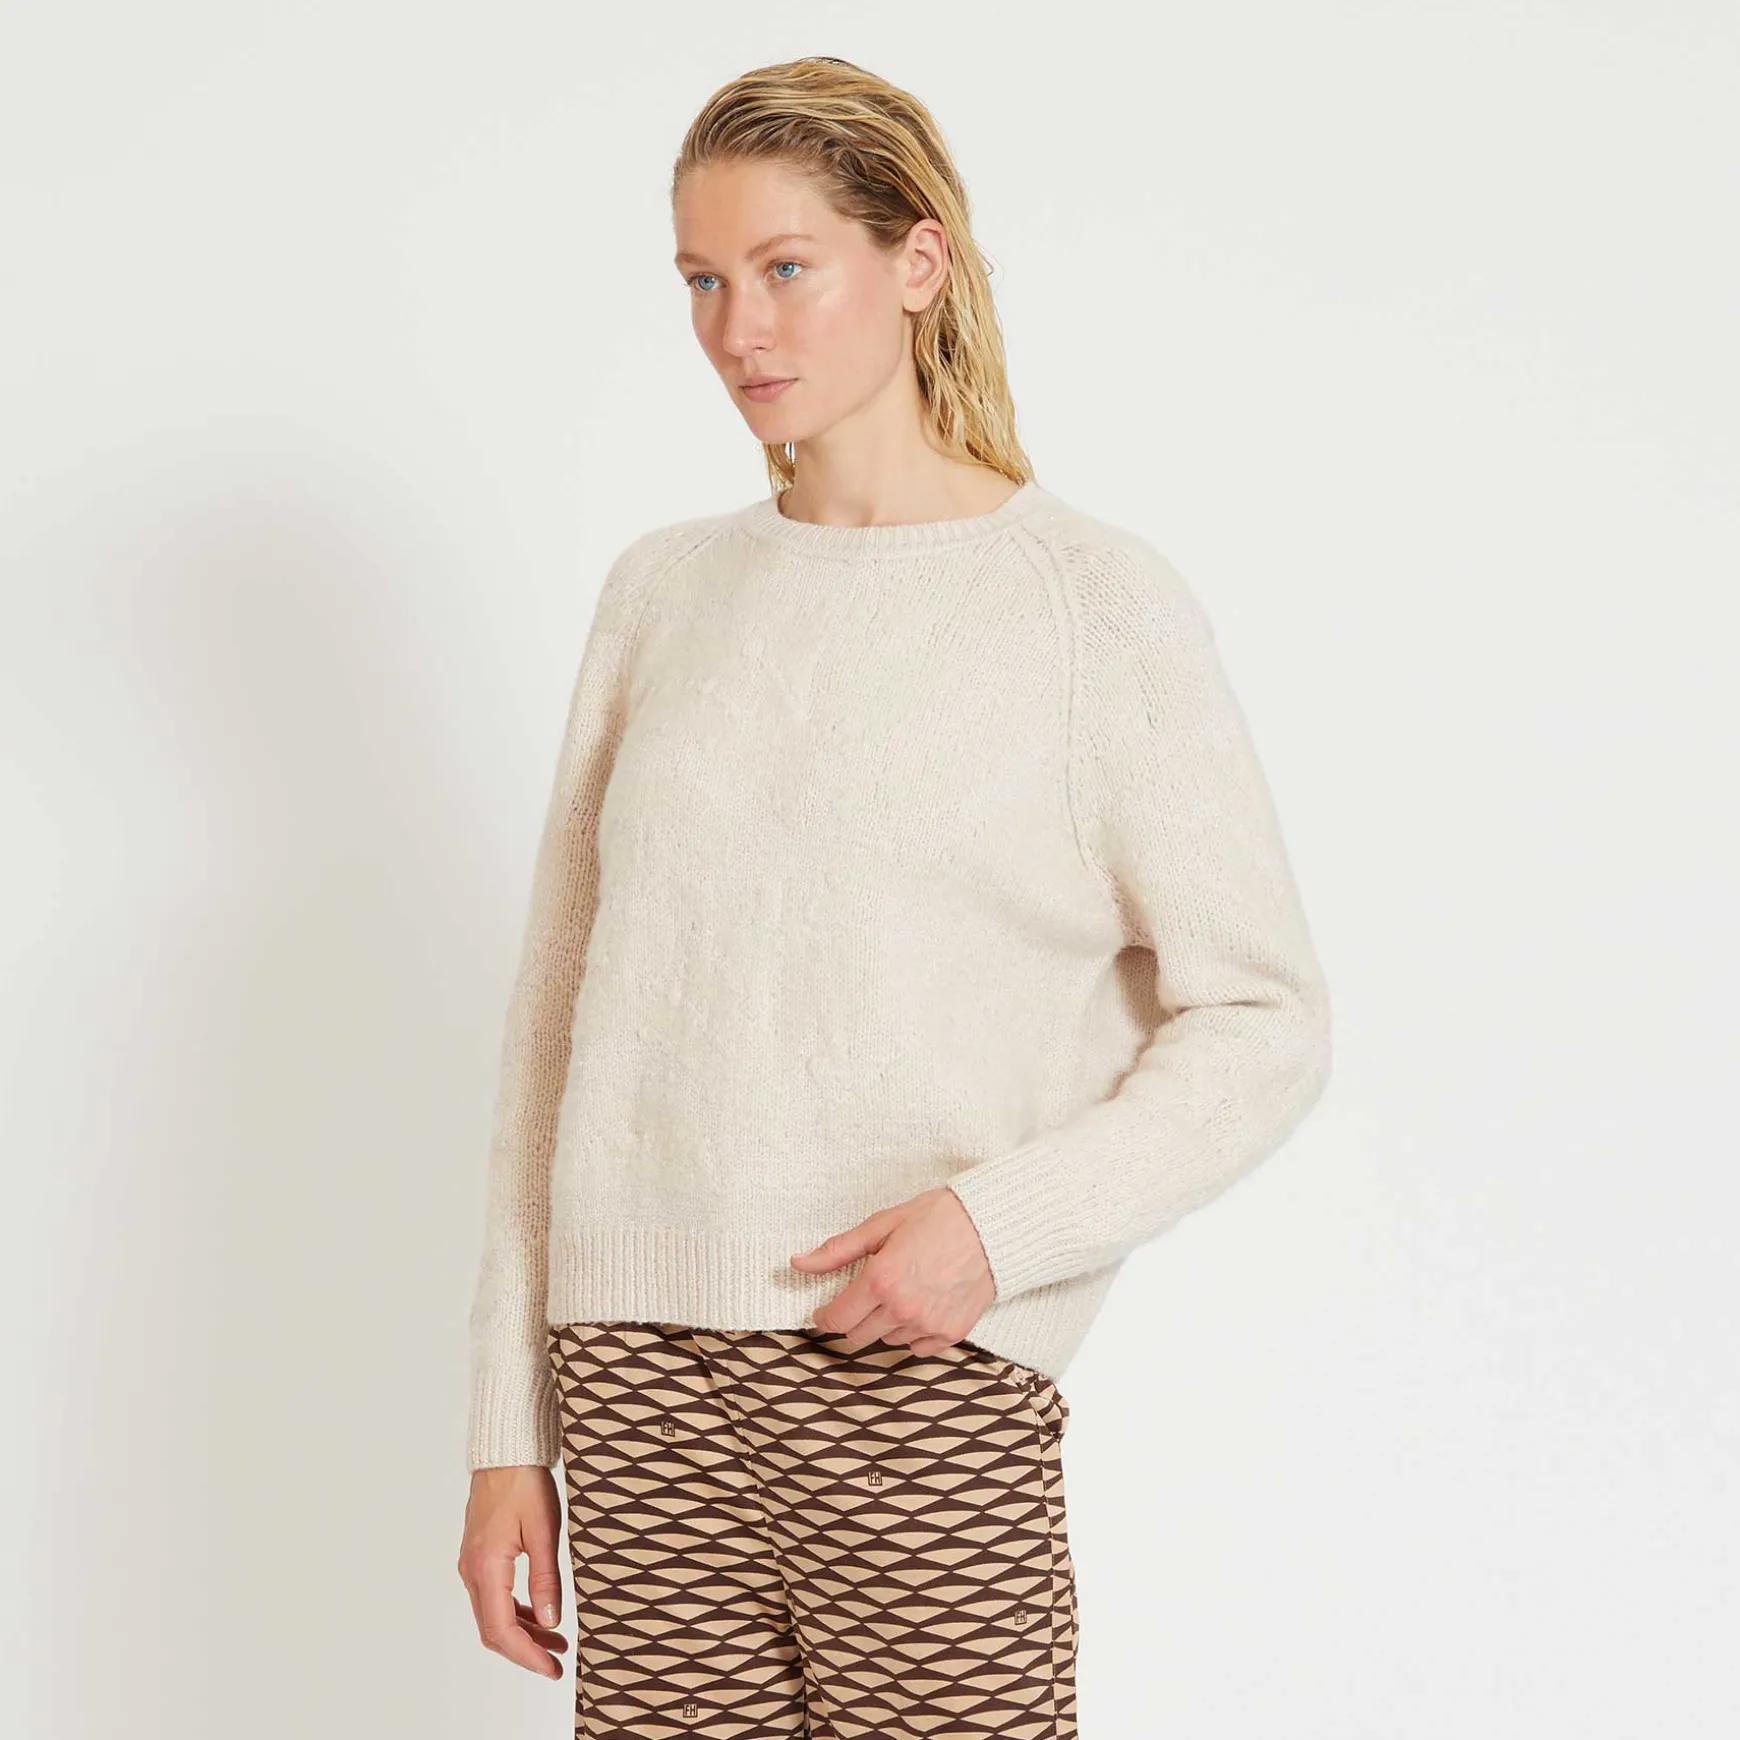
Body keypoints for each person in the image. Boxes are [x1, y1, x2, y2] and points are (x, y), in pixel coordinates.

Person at [455, 54, 1331, 1740]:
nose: (739, 329)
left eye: (787, 267)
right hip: (635, 1390)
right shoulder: (663, 595)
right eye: (703, 281)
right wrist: (511, 1434)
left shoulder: (1087, 607)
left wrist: (1000, 1229)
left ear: (917, 262)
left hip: (915, 1378)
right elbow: (555, 1035)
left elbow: (1263, 1016)